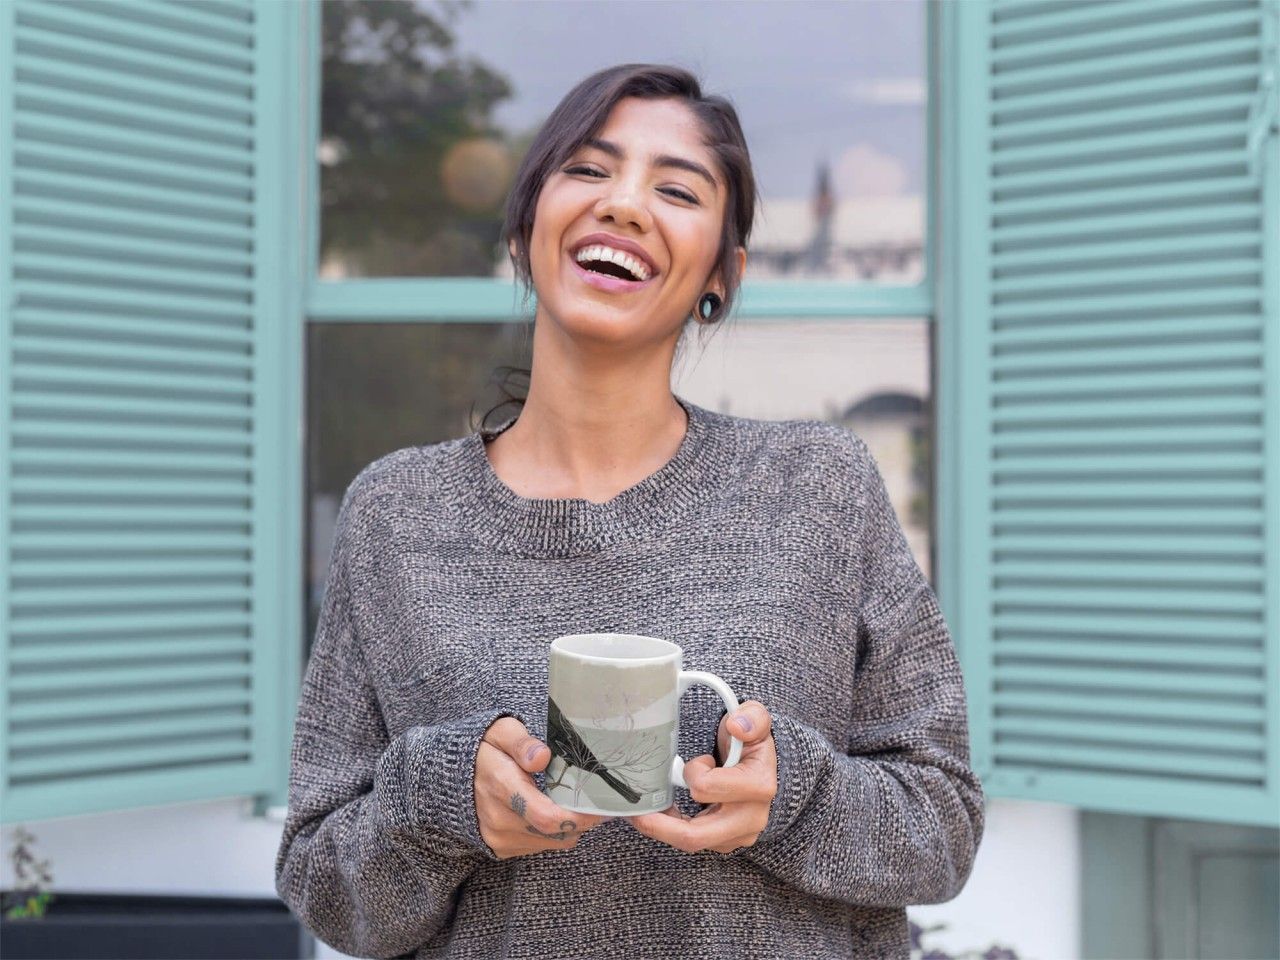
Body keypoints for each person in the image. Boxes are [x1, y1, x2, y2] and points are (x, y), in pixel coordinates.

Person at [274, 62, 985, 960]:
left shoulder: (818, 488)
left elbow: (945, 827)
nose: (624, 204)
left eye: (677, 189)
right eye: (588, 169)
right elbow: (322, 884)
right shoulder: (396, 516)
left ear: (721, 274)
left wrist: (790, 799)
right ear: (527, 224)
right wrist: (442, 804)